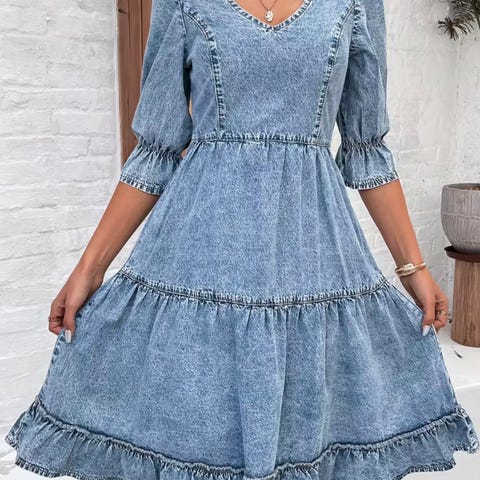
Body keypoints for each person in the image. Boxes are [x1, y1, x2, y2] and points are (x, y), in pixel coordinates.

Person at [5, 0, 479, 478]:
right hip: (198, 256)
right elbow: (156, 151)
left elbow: (367, 149)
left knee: (304, 430)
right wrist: (89, 269)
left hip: (310, 254)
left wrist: (413, 268)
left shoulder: (353, 5)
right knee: (196, 427)